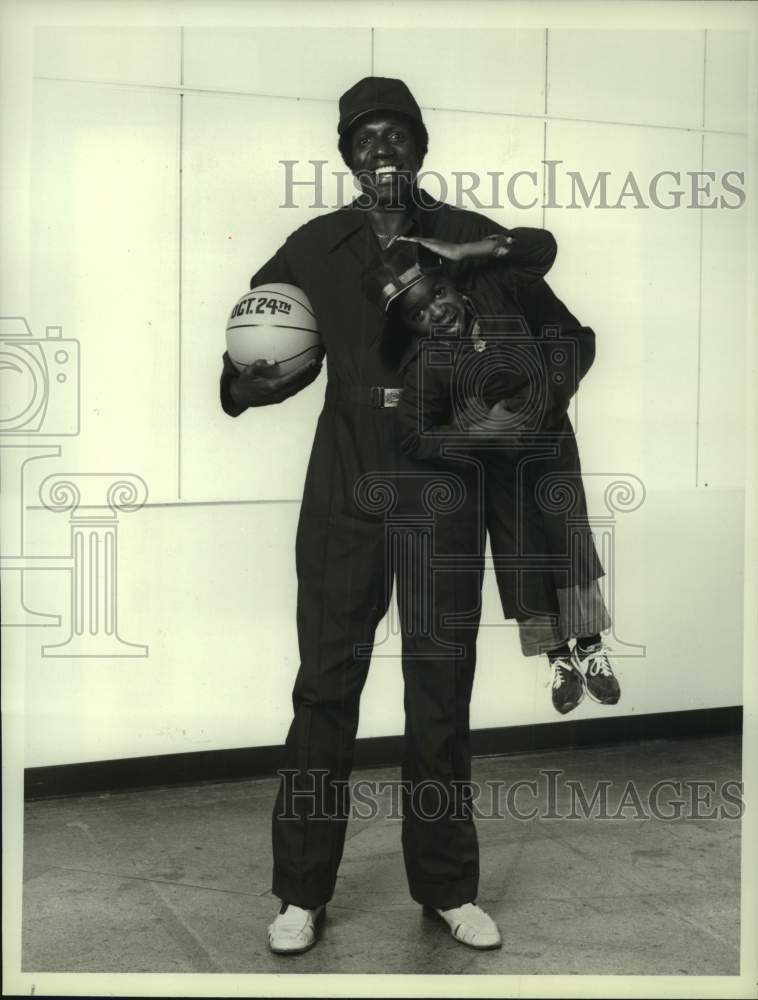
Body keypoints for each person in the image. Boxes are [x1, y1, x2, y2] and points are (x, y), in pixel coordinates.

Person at [219, 76, 559, 955]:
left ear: (419, 149)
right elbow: (256, 350)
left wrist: (482, 268)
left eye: (397, 135)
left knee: (439, 695)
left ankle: (447, 888)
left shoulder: (461, 238)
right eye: (365, 138)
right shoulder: (314, 246)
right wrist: (242, 385)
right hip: (345, 494)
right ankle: (300, 893)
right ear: (345, 155)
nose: (382, 151)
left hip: (442, 494)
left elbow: (541, 271)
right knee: (325, 689)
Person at [363, 235, 621, 715]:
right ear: (410, 328)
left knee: (569, 537)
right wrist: (473, 428)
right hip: (498, 463)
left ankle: (590, 644)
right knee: (519, 551)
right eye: (419, 314)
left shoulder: (497, 292)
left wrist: (471, 248)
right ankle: (557, 657)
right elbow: (414, 435)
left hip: (549, 441)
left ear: (452, 284)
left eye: (437, 294)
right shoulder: (427, 364)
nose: (436, 313)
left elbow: (542, 249)